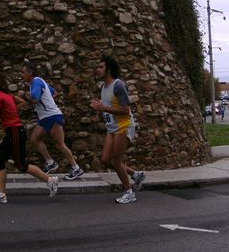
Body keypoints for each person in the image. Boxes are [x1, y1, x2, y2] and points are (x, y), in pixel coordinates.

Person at [0, 71, 59, 203]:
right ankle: (1, 194)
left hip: (15, 132)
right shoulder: (7, 95)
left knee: (21, 165)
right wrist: (11, 112)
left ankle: (50, 180)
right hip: (14, 132)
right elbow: (23, 102)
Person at [91, 56, 145, 204]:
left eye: (101, 67)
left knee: (116, 161)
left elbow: (125, 110)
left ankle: (129, 192)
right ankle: (136, 175)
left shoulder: (118, 85)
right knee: (105, 160)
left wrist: (104, 108)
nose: (98, 69)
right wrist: (99, 108)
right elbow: (108, 105)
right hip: (112, 128)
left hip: (124, 126)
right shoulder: (103, 86)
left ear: (108, 69)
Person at [20, 62, 83, 180]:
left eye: (23, 72)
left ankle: (76, 168)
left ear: (30, 73)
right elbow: (54, 92)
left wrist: (24, 96)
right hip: (45, 117)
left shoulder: (37, 82)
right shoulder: (37, 82)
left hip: (52, 116)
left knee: (60, 144)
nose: (22, 74)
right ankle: (50, 162)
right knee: (35, 139)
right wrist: (48, 101)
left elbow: (36, 99)